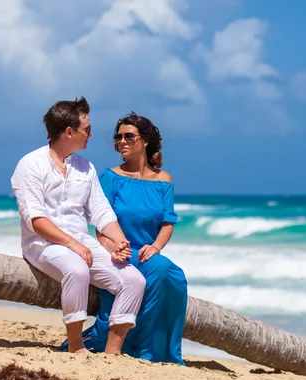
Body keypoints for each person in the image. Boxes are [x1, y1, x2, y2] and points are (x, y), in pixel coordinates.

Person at [11, 98, 145, 355]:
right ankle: (76, 346)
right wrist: (74, 245)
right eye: (87, 129)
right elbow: (36, 220)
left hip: (81, 243)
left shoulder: (85, 168)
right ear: (69, 131)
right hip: (42, 244)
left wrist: (118, 243)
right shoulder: (30, 164)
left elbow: (101, 212)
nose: (91, 134)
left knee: (134, 280)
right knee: (77, 269)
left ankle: (112, 352)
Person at [64, 112, 188, 364]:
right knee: (150, 274)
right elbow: (101, 222)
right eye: (118, 137)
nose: (122, 141)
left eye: (128, 136)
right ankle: (133, 347)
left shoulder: (164, 180)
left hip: (147, 251)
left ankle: (156, 350)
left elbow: (168, 222)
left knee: (169, 273)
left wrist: (156, 246)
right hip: (118, 252)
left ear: (144, 141)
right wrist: (112, 247)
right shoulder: (110, 177)